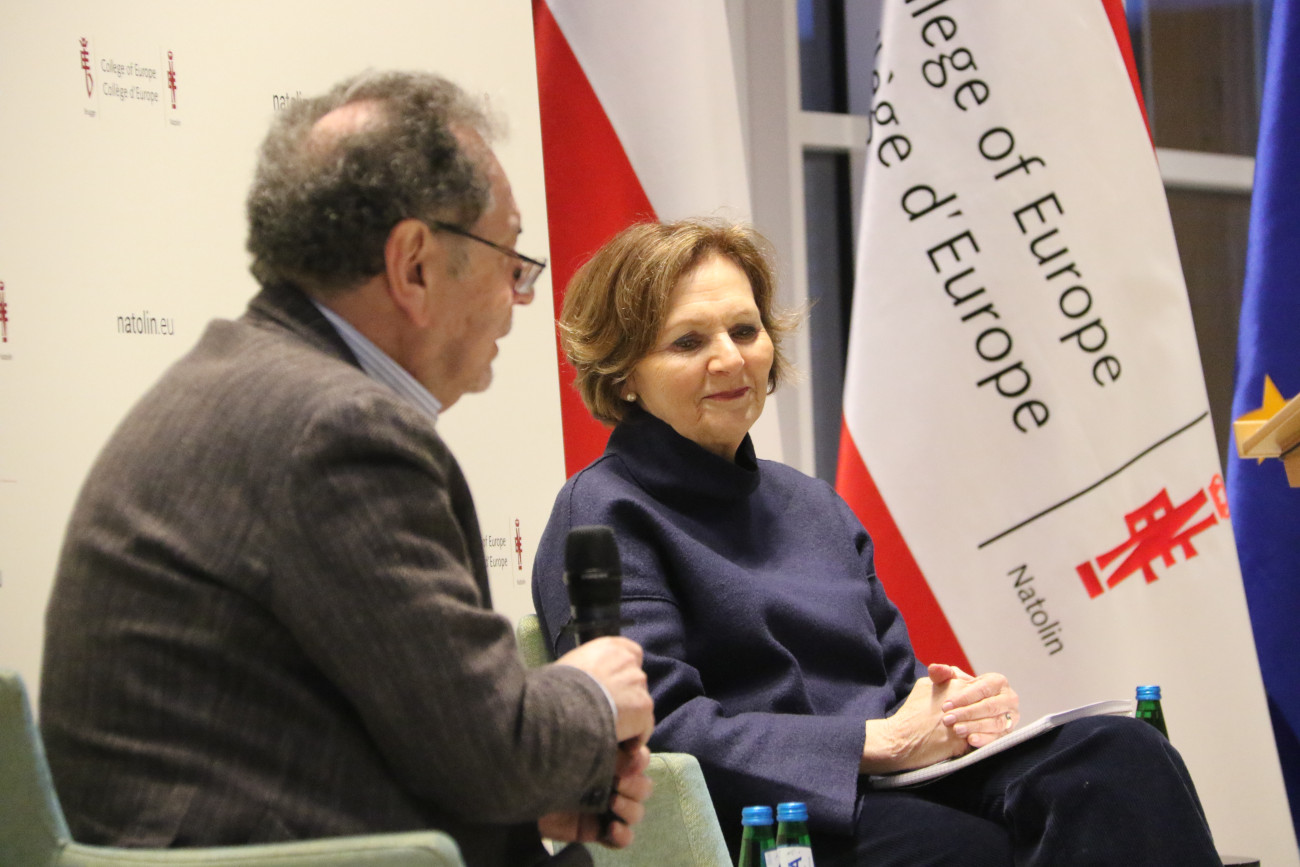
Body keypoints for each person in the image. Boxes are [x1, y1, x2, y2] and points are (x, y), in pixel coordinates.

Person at [39, 71, 654, 867]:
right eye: (509, 257)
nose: (523, 295)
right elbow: (491, 746)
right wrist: (595, 692)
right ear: (415, 264)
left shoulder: (242, 383)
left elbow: (366, 731)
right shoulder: (336, 431)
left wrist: (531, 793)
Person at [531, 218, 1221, 866]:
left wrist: (954, 712)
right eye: (688, 342)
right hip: (773, 814)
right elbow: (660, 733)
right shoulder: (603, 512)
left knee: (1121, 755)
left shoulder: (813, 505)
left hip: (894, 780)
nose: (731, 358)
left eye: (745, 330)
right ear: (623, 374)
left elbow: (898, 685)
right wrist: (874, 742)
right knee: (979, 848)